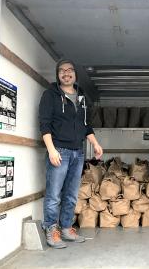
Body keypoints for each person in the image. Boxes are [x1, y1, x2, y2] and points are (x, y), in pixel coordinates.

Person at [39, 59, 103, 249]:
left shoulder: (81, 96)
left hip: (78, 151)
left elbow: (86, 125)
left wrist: (96, 144)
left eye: (70, 70)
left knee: (71, 194)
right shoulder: (50, 95)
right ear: (58, 75)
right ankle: (51, 229)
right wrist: (51, 149)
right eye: (62, 70)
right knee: (53, 195)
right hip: (59, 150)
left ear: (75, 74)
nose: (66, 73)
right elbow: (44, 124)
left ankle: (66, 228)